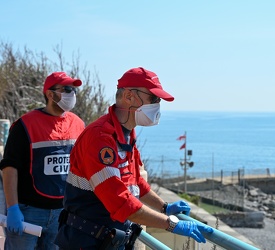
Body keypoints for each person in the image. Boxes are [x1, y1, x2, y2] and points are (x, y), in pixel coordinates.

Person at [55, 67, 213, 249]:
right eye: (153, 99)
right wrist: (171, 223)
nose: (157, 105)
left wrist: (164, 207)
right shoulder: (99, 137)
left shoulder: (126, 134)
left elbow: (135, 182)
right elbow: (120, 202)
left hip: (111, 239)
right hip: (85, 240)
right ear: (129, 96)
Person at [0, 72, 85, 249]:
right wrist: (13, 208)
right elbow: (10, 168)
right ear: (50, 94)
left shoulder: (78, 124)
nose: (72, 94)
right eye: (67, 89)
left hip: (63, 213)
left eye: (74, 90)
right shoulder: (25, 124)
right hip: (28, 212)